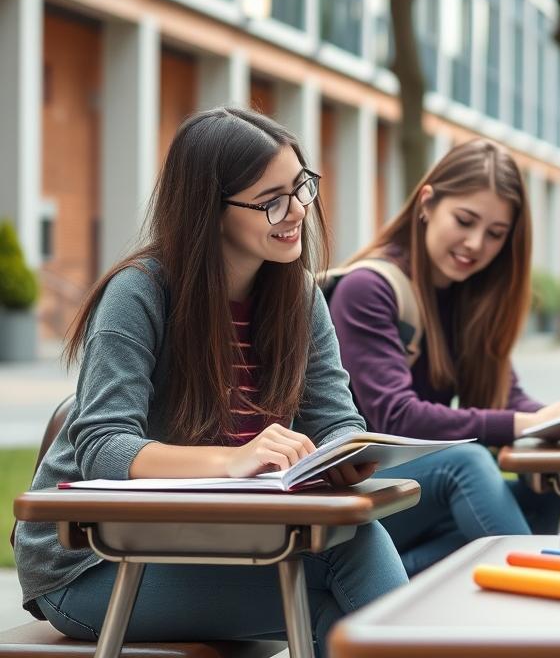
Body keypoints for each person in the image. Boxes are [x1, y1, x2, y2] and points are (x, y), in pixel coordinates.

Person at [14, 108, 407, 654]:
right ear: (210, 211)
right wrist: (234, 458)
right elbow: (103, 448)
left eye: (301, 188)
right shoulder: (139, 294)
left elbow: (336, 419)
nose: (295, 212)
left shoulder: (298, 298)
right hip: (91, 564)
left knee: (352, 553)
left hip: (207, 539)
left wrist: (346, 453)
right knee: (343, 583)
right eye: (271, 200)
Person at [327, 140, 560, 576]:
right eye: (464, 221)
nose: (475, 244)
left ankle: (397, 584)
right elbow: (396, 419)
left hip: (417, 502)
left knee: (550, 496)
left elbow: (507, 401)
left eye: (496, 234)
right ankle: (544, 621)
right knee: (468, 464)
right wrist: (528, 424)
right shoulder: (368, 288)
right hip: (356, 499)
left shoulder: (469, 297)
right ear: (427, 203)